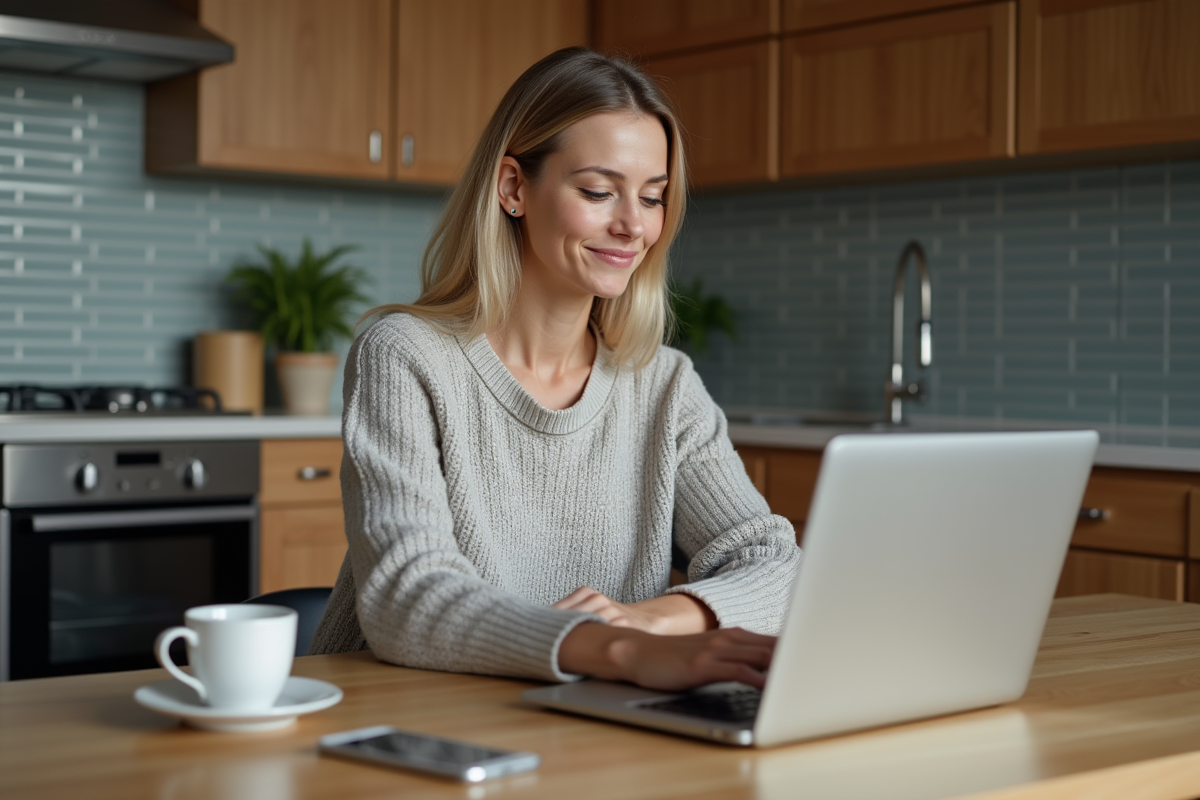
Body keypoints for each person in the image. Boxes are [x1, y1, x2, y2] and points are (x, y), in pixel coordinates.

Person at [309, 47, 801, 691]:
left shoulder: (665, 385)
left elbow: (776, 565)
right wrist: (614, 649)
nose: (632, 226)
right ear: (514, 187)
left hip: (580, 718)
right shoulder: (405, 354)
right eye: (598, 192)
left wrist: (649, 623)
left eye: (652, 198)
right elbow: (408, 595)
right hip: (399, 712)